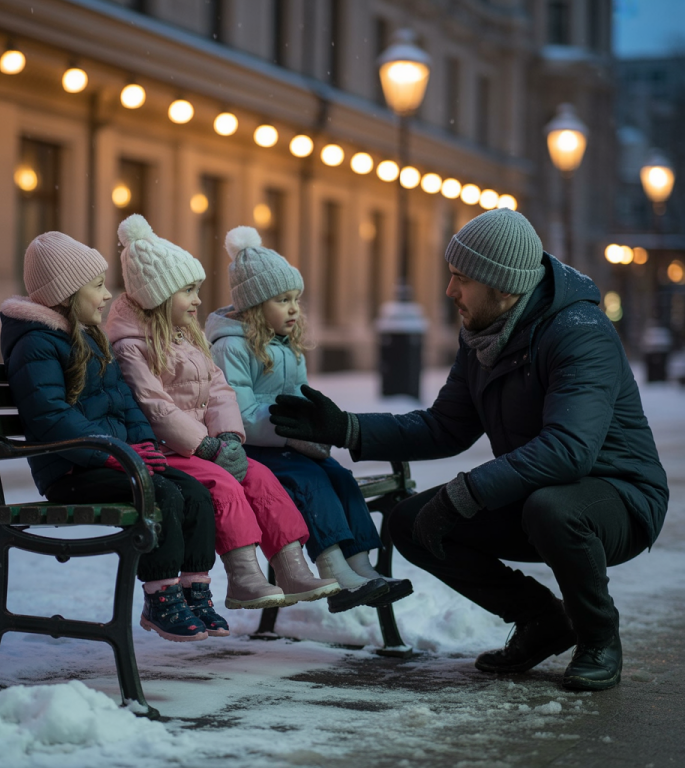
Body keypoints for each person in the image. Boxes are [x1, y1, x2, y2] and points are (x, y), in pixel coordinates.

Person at [269, 208, 669, 691]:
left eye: (461, 278)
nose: (449, 291)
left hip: (619, 496)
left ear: (501, 286)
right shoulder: (485, 334)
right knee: (410, 523)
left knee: (554, 509)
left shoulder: (580, 332)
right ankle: (542, 620)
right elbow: (446, 427)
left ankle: (598, 638)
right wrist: (347, 427)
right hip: (540, 492)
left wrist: (466, 492)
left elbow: (569, 450)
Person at [104, 215, 339, 613]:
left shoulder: (186, 336)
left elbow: (219, 390)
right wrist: (207, 446)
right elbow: (156, 408)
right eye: (189, 291)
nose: (198, 300)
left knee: (260, 478)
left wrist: (229, 436)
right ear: (160, 296)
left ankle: (290, 567)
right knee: (224, 485)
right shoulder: (132, 348)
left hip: (205, 445)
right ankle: (244, 576)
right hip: (171, 450)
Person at [0, 230, 226, 642]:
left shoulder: (89, 338)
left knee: (193, 490)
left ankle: (195, 589)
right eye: (97, 286)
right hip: (71, 471)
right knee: (163, 493)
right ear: (67, 294)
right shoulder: (37, 344)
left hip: (114, 459)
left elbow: (125, 401)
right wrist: (113, 453)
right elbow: (50, 416)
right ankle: (161, 597)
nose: (107, 295)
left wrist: (139, 444)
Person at [205, 226, 412, 613]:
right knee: (311, 479)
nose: (294, 309)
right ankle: (333, 568)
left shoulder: (288, 346)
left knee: (339, 475)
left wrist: (315, 426)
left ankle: (362, 566)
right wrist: (290, 435)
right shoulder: (231, 346)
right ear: (254, 305)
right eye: (283, 300)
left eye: (295, 299)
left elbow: (301, 398)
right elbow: (239, 416)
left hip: (289, 445)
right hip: (255, 452)